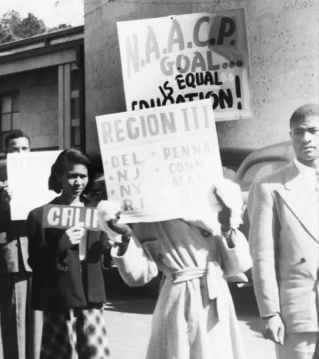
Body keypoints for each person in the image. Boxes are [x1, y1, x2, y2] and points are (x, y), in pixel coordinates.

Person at [100, 178, 252, 359]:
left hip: (216, 296)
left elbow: (237, 266)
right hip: (180, 299)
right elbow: (139, 275)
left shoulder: (213, 203)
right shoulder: (154, 214)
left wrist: (227, 226)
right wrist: (125, 238)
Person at [248, 103, 319, 359]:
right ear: (291, 136)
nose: (306, 138)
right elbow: (262, 256)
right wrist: (270, 312)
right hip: (298, 315)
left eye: (313, 130)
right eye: (298, 132)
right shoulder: (270, 187)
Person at [26, 149, 109, 359]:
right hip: (60, 298)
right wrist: (59, 246)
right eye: (72, 176)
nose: (78, 182)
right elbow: (35, 261)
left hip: (91, 296)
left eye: (83, 176)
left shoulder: (98, 213)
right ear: (59, 177)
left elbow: (104, 257)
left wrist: (115, 242)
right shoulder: (39, 215)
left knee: (95, 354)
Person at [0, 130, 42, 359]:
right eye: (14, 149)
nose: (20, 153)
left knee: (39, 324)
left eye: (24, 149)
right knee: (15, 322)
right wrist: (5, 204)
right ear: (6, 153)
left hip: (40, 257)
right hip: (15, 258)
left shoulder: (42, 180)